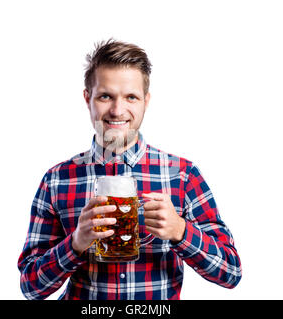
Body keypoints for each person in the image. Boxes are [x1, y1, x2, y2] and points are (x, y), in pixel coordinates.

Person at [17, 39, 242, 300]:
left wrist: (181, 231)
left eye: (131, 97)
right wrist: (76, 243)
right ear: (87, 98)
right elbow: (30, 288)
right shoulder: (57, 180)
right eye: (105, 96)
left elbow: (230, 272)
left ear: (145, 101)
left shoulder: (182, 175)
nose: (117, 110)